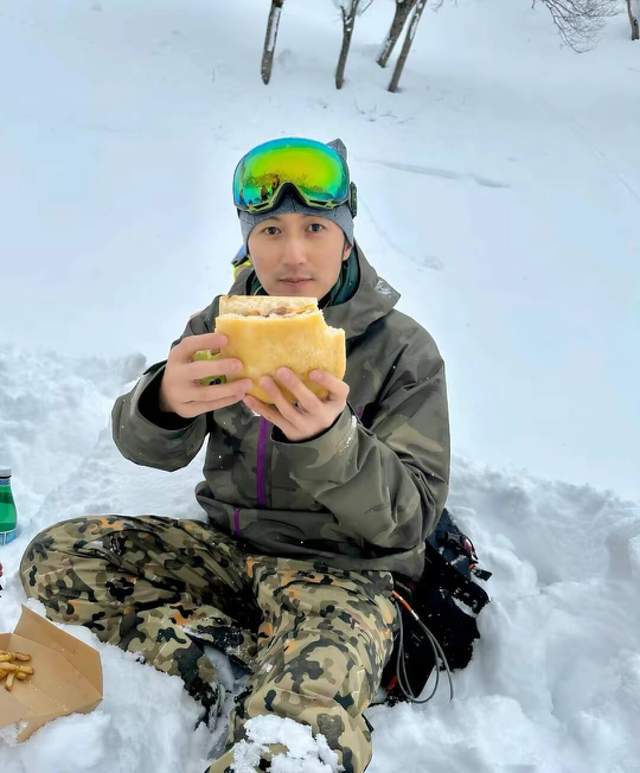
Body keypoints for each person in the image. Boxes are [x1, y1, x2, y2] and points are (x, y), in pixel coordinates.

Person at [19, 137, 450, 773]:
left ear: (348, 236)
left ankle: (298, 683)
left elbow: (410, 519)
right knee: (57, 559)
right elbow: (145, 447)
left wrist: (329, 440)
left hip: (344, 576)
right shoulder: (220, 324)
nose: (293, 253)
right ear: (246, 240)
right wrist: (162, 401)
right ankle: (225, 662)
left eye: (315, 227)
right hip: (230, 556)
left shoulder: (404, 350)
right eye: (270, 228)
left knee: (294, 738)